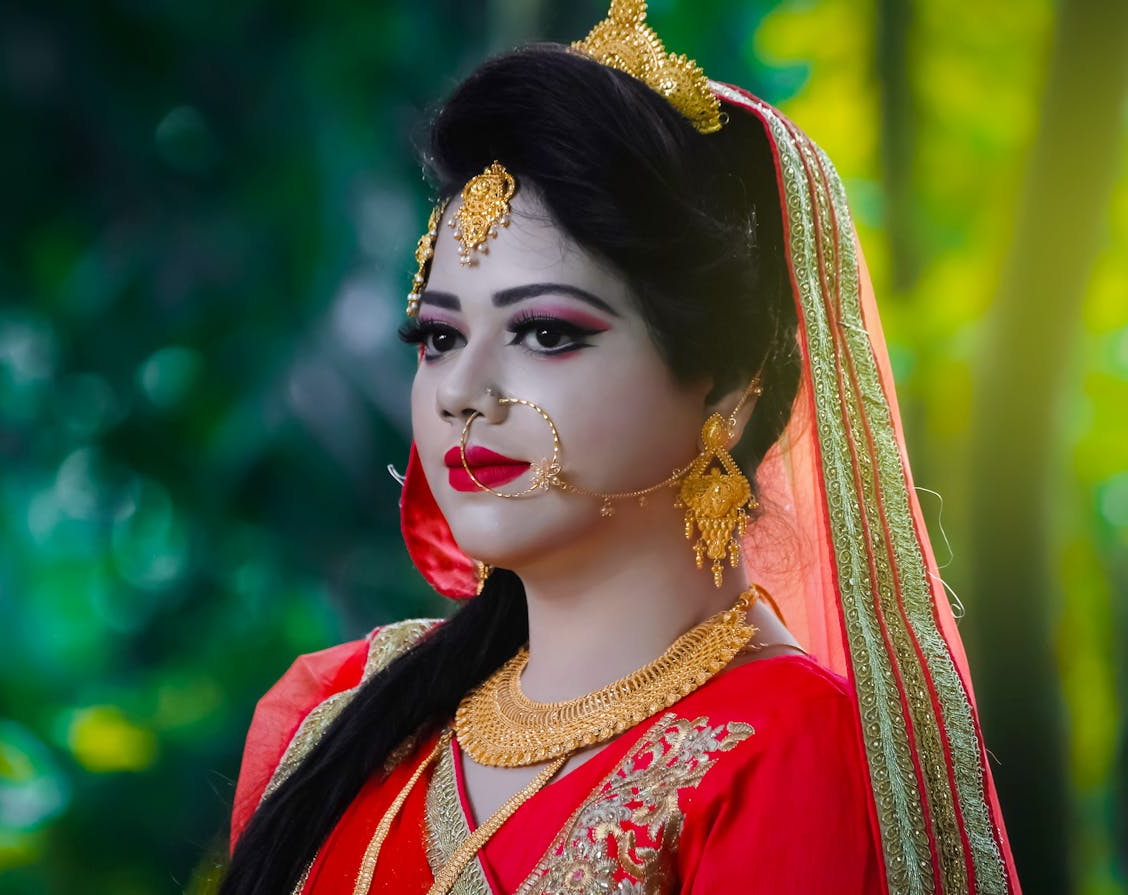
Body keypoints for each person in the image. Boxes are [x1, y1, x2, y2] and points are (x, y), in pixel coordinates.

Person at [223, 2, 1021, 892]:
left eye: (547, 334)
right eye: (439, 338)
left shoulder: (782, 744)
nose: (460, 393)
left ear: (726, 382)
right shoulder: (346, 713)